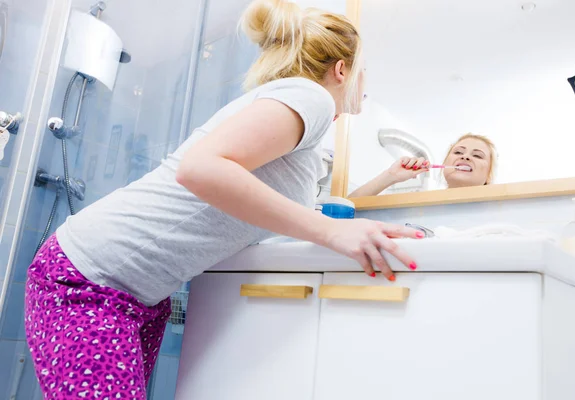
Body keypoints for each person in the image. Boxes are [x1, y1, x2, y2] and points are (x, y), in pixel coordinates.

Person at [24, 1, 424, 398]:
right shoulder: (311, 97)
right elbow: (199, 169)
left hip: (131, 291)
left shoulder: (295, 111)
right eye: (363, 69)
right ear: (342, 70)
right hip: (86, 280)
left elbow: (251, 199)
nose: (365, 80)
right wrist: (332, 232)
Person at [349, 133, 497, 197]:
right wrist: (390, 176)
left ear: (488, 176)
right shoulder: (421, 202)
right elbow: (348, 207)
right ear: (445, 164)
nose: (465, 156)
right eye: (458, 152)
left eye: (477, 155)